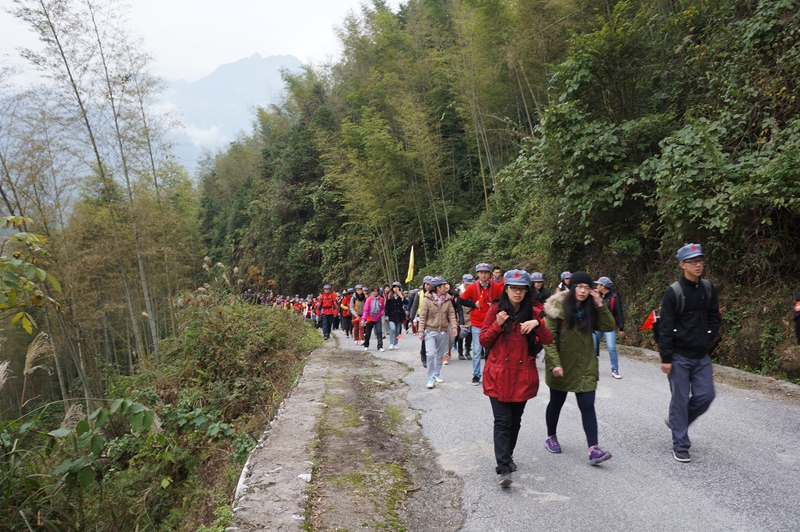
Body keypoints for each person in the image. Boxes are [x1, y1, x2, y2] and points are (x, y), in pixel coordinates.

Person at [480, 270, 553, 486]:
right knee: (502, 421)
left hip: (522, 376)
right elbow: (484, 340)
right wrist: (497, 324)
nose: (517, 292)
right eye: (513, 288)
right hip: (498, 374)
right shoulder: (495, 309)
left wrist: (538, 324)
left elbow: (548, 341)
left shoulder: (535, 311)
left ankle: (507, 457)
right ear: (506, 289)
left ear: (527, 291)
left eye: (521, 289)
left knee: (515, 421)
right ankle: (503, 468)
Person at [543, 271, 616, 466]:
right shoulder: (557, 309)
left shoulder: (592, 308)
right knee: (556, 403)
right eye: (579, 287)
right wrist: (556, 363)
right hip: (562, 365)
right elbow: (549, 340)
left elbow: (609, 326)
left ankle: (593, 449)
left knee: (587, 405)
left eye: (586, 287)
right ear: (572, 288)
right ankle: (551, 436)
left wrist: (600, 303)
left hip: (585, 365)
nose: (583, 291)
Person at [658, 244, 720, 463]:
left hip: (701, 355)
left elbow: (714, 316)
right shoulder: (673, 292)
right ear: (682, 264)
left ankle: (677, 422)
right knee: (681, 399)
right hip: (679, 356)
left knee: (706, 396)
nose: (698, 264)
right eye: (693, 261)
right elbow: (665, 327)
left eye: (700, 260)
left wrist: (708, 335)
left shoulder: (709, 289)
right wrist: (666, 358)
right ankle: (681, 444)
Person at [461, 263, 504, 385]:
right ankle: (476, 375)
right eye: (481, 272)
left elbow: (503, 300)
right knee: (476, 349)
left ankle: (490, 374)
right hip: (477, 322)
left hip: (492, 322)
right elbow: (461, 300)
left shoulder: (496, 286)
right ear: (478, 274)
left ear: (489, 274)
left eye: (486, 272)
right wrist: (474, 304)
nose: (483, 274)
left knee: (491, 351)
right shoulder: (472, 287)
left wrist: (495, 305)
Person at [419, 276, 459, 389]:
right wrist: (421, 331)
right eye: (443, 285)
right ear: (437, 287)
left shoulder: (447, 299)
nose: (446, 287)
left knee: (440, 355)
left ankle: (437, 373)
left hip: (442, 331)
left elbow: (451, 314)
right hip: (430, 331)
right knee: (430, 354)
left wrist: (454, 328)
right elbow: (422, 316)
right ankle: (430, 377)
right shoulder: (427, 299)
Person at [593, 276, 625, 379]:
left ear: (603, 286)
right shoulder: (595, 295)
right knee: (592, 347)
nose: (597, 286)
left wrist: (621, 328)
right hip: (596, 325)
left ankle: (615, 370)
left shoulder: (614, 297)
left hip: (609, 326)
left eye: (598, 284)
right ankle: (591, 369)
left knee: (611, 348)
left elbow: (619, 313)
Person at [409, 277, 433, 367]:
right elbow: (414, 307)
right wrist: (411, 320)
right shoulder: (419, 294)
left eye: (430, 285)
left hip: (432, 319)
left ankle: (429, 355)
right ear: (424, 285)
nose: (428, 287)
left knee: (431, 338)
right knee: (424, 337)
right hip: (422, 318)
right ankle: (424, 357)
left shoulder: (434, 294)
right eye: (427, 284)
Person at [362, 286, 386, 352]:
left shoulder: (381, 299)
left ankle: (380, 346)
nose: (374, 293)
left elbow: (383, 309)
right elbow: (366, 310)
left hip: (378, 318)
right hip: (370, 318)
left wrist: (380, 314)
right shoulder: (369, 299)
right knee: (368, 333)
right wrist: (363, 319)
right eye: (373, 291)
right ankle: (366, 345)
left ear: (378, 292)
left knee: (379, 332)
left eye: (375, 291)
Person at [456, 274, 474, 360]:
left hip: (471, 314)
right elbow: (458, 306)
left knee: (469, 334)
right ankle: (460, 351)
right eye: (467, 284)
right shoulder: (458, 291)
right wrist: (460, 321)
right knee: (461, 334)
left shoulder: (474, 289)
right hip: (461, 314)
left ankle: (467, 350)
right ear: (463, 282)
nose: (469, 285)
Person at [385, 282, 406, 350]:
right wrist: (386, 315)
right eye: (394, 287)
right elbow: (387, 306)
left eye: (397, 287)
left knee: (397, 331)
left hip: (399, 316)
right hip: (391, 316)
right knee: (392, 329)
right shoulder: (389, 295)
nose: (396, 288)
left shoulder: (401, 296)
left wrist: (401, 296)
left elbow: (406, 303)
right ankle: (391, 343)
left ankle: (396, 343)